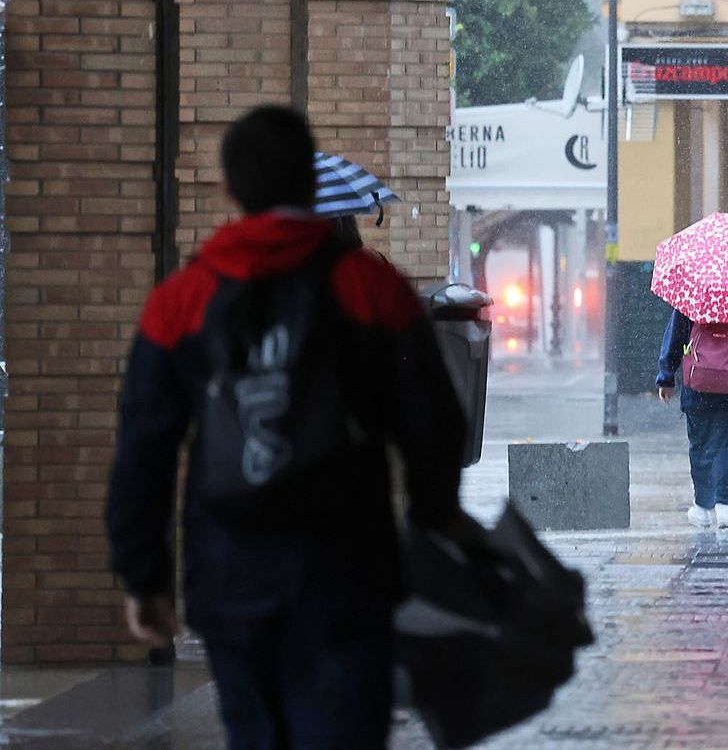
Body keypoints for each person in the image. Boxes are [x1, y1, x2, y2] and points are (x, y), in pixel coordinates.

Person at [105, 105, 466, 750]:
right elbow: (432, 423)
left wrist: (144, 577)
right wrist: (433, 527)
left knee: (255, 735)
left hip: (229, 571)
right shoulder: (373, 288)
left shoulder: (180, 300)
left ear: (229, 189)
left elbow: (143, 449)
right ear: (309, 180)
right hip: (348, 570)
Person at [656, 309, 728, 531]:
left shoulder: (693, 297)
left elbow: (675, 337)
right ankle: (724, 505)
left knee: (701, 446)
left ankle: (702, 507)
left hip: (698, 386)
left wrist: (666, 377)